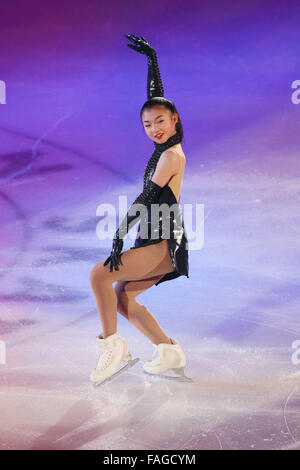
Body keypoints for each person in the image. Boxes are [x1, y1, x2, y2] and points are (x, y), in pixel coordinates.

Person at [89, 35, 189, 385]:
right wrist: (152, 58)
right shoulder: (165, 144)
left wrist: (118, 235)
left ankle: (112, 346)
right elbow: (154, 99)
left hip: (161, 242)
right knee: (122, 295)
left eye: (161, 122)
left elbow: (146, 198)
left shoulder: (171, 157)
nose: (155, 129)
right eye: (148, 125)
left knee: (99, 275)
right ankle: (168, 350)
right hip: (157, 240)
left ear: (174, 120)